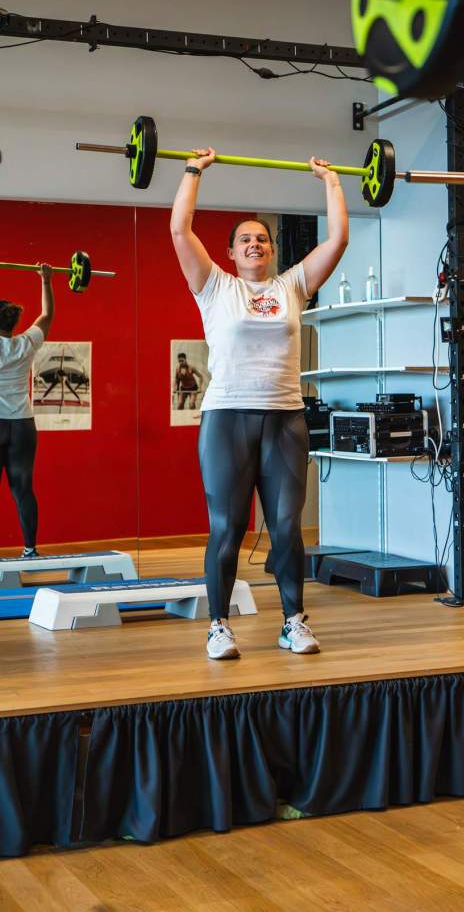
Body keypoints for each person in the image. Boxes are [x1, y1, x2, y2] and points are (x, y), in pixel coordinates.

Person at [170, 150, 348, 661]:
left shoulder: (292, 285)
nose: (255, 244)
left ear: (271, 251)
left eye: (262, 239)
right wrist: (193, 172)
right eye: (245, 239)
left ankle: (294, 621)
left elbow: (337, 239)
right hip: (227, 416)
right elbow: (181, 231)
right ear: (230, 252)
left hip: (286, 417)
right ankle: (219, 626)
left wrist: (331, 182)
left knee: (289, 527)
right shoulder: (214, 287)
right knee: (227, 528)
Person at [0, 265, 54, 557]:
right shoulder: (25, 344)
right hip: (22, 424)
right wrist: (46, 281)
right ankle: (30, 550)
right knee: (22, 488)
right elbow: (47, 316)